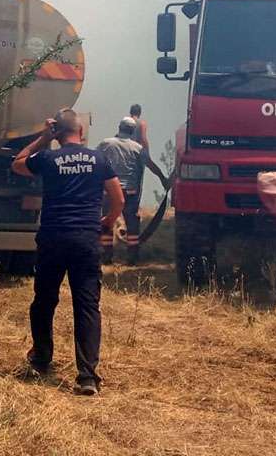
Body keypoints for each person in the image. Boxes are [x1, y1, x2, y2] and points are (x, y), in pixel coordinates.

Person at [12, 108, 124, 396]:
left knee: (44, 300)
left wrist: (41, 138)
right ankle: (87, 377)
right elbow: (118, 197)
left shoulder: (48, 158)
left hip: (53, 237)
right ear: (82, 132)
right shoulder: (99, 159)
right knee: (87, 305)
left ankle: (41, 358)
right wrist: (108, 221)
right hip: (85, 239)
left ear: (57, 133)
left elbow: (18, 164)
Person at [96, 117, 171, 265]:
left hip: (110, 191)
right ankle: (132, 257)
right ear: (132, 131)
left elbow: (94, 160)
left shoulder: (105, 144)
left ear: (119, 127)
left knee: (107, 221)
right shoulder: (137, 148)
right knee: (132, 225)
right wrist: (163, 179)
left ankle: (106, 256)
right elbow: (150, 165)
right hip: (130, 192)